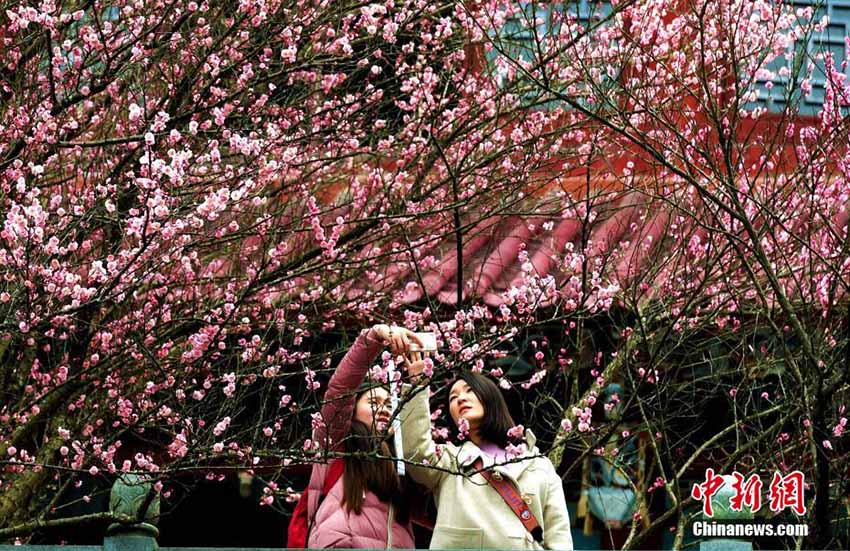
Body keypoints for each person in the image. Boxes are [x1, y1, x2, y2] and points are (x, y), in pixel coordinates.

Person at [399, 352, 574, 550]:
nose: (460, 399)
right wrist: (417, 383)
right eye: (453, 398)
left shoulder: (538, 464)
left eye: (469, 390)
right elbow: (416, 451)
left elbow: (558, 537)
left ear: (489, 397)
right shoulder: (450, 461)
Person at [305, 324, 426, 549]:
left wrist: (419, 384)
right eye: (373, 402)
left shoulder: (401, 463)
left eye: (390, 405)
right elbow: (341, 388)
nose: (384, 409)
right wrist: (374, 336)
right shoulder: (336, 442)